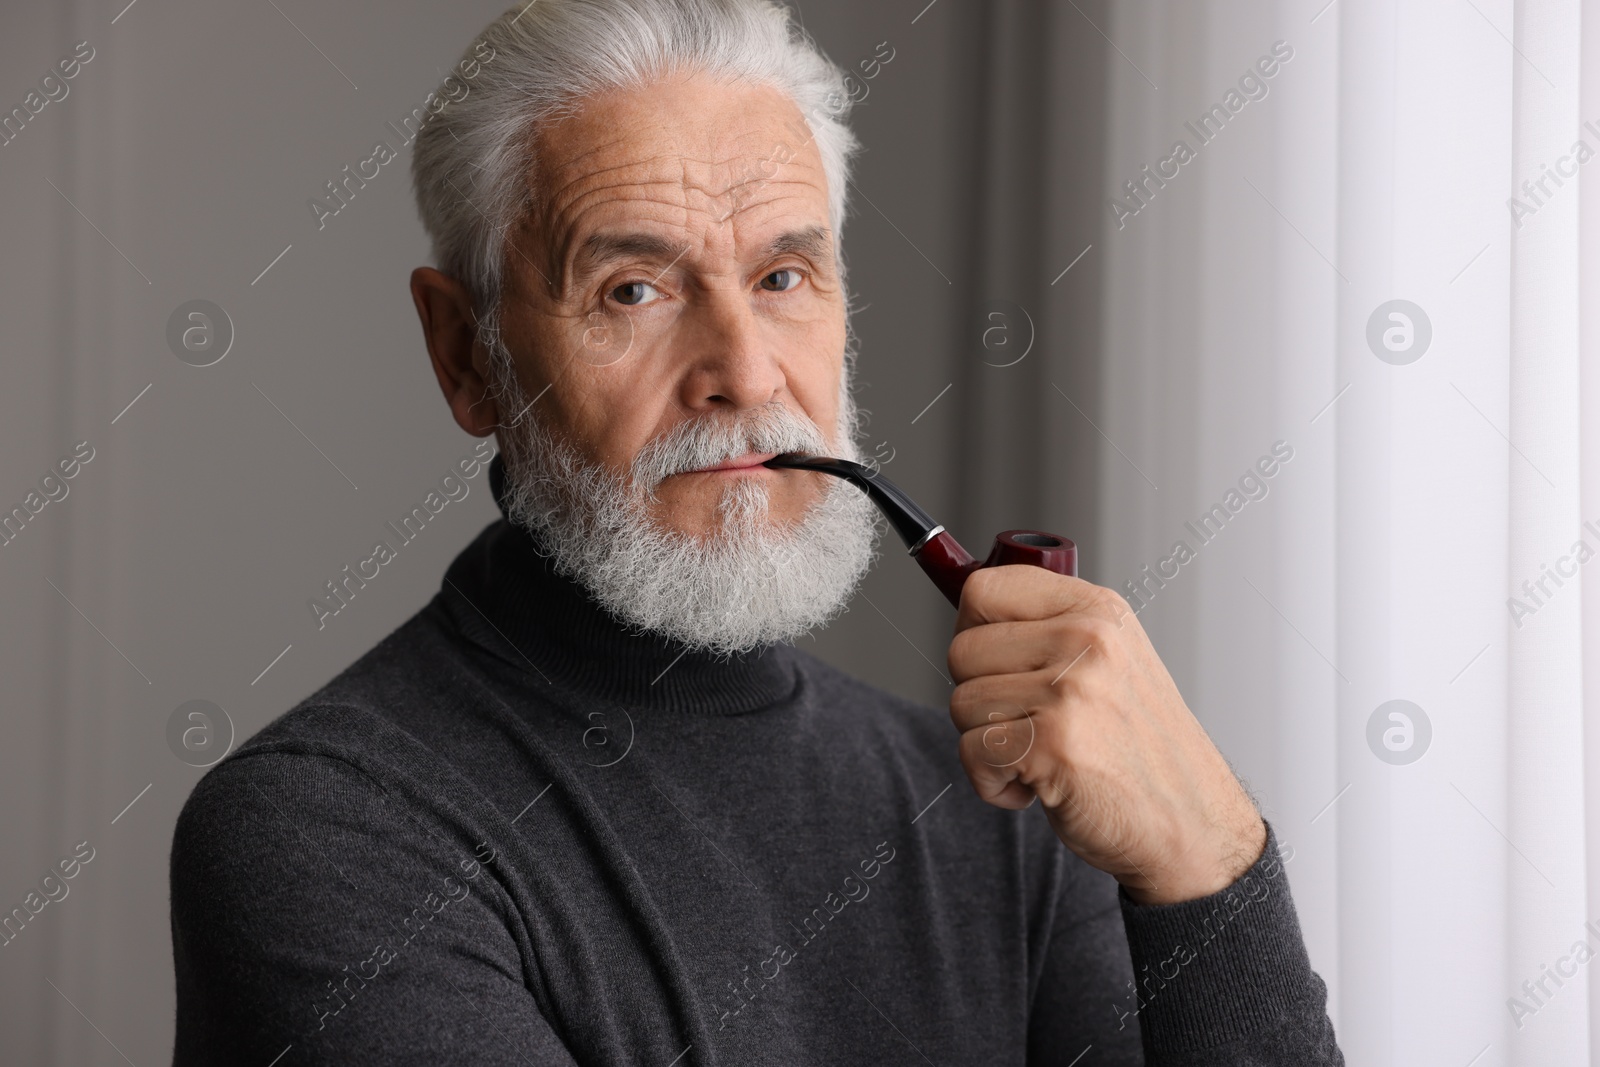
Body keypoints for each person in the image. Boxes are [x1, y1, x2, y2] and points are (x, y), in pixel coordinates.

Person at [169, 1, 1343, 1062]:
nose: (742, 371)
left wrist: (1209, 857)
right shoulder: (322, 834)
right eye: (634, 288)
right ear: (466, 355)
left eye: (782, 275)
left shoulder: (1001, 814)